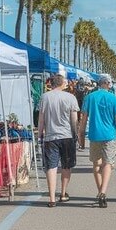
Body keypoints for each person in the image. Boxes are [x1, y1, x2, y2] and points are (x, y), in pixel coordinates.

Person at [78, 74, 116, 208]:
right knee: (107, 163)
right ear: (109, 84)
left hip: (94, 135)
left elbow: (84, 118)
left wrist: (81, 134)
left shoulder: (89, 97)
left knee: (96, 164)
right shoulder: (113, 98)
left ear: (99, 84)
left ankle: (100, 191)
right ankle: (103, 191)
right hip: (109, 135)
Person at [37, 73, 81, 207]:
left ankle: (51, 198)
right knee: (66, 165)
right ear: (62, 83)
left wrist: (40, 134)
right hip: (67, 136)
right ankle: (63, 193)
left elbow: (41, 118)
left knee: (51, 166)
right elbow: (74, 119)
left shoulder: (45, 97)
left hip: (50, 136)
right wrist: (75, 134)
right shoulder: (70, 97)